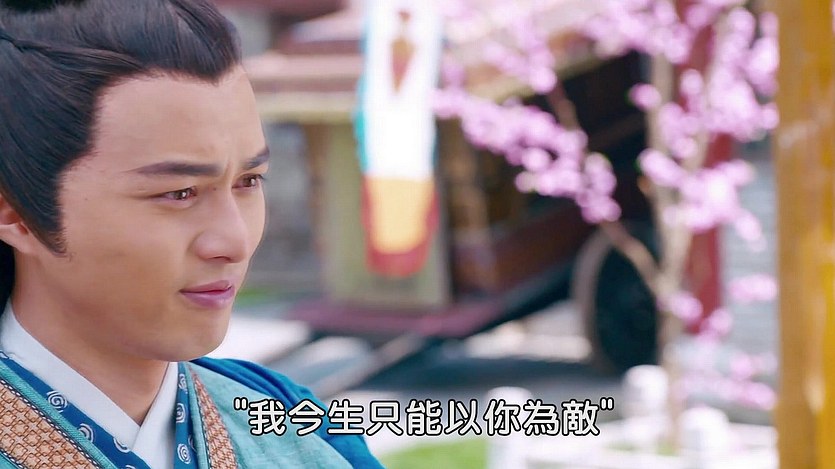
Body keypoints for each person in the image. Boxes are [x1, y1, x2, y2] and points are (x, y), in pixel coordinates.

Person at [0, 0, 383, 467]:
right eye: (179, 193)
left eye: (249, 181)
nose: (235, 242)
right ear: (15, 212)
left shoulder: (302, 431)